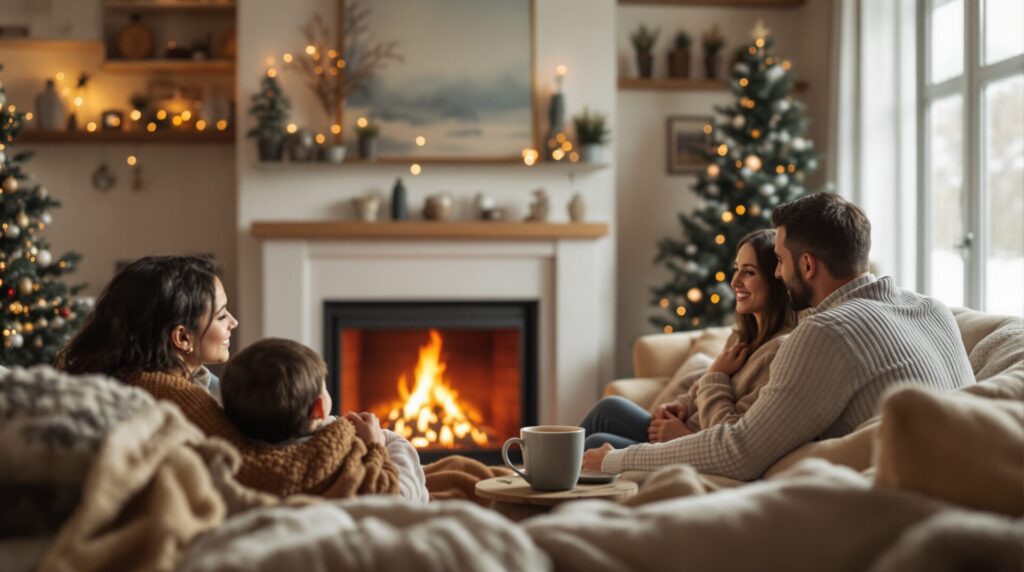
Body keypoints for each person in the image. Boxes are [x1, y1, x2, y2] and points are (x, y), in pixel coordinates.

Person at [584, 192, 975, 480]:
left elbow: (738, 451)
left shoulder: (825, 332)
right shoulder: (933, 309)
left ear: (807, 265)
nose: (777, 273)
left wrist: (615, 460)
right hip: (965, 493)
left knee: (590, 450)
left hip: (884, 512)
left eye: (781, 261)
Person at [57, 255, 400, 498]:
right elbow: (266, 471)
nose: (234, 322)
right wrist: (366, 443)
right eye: (222, 315)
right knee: (398, 447)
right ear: (182, 338)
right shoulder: (169, 392)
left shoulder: (161, 377)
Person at [581, 229, 793, 449]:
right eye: (736, 269)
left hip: (694, 447)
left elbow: (734, 438)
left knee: (596, 443)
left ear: (776, 278)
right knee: (610, 407)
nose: (734, 282)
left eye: (749, 272)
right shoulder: (741, 336)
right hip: (681, 433)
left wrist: (684, 436)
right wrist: (682, 404)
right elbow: (708, 384)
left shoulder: (778, 351)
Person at [221, 337, 429, 504]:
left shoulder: (241, 462)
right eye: (324, 387)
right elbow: (397, 500)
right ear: (318, 409)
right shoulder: (341, 454)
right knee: (399, 445)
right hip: (393, 502)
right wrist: (377, 445)